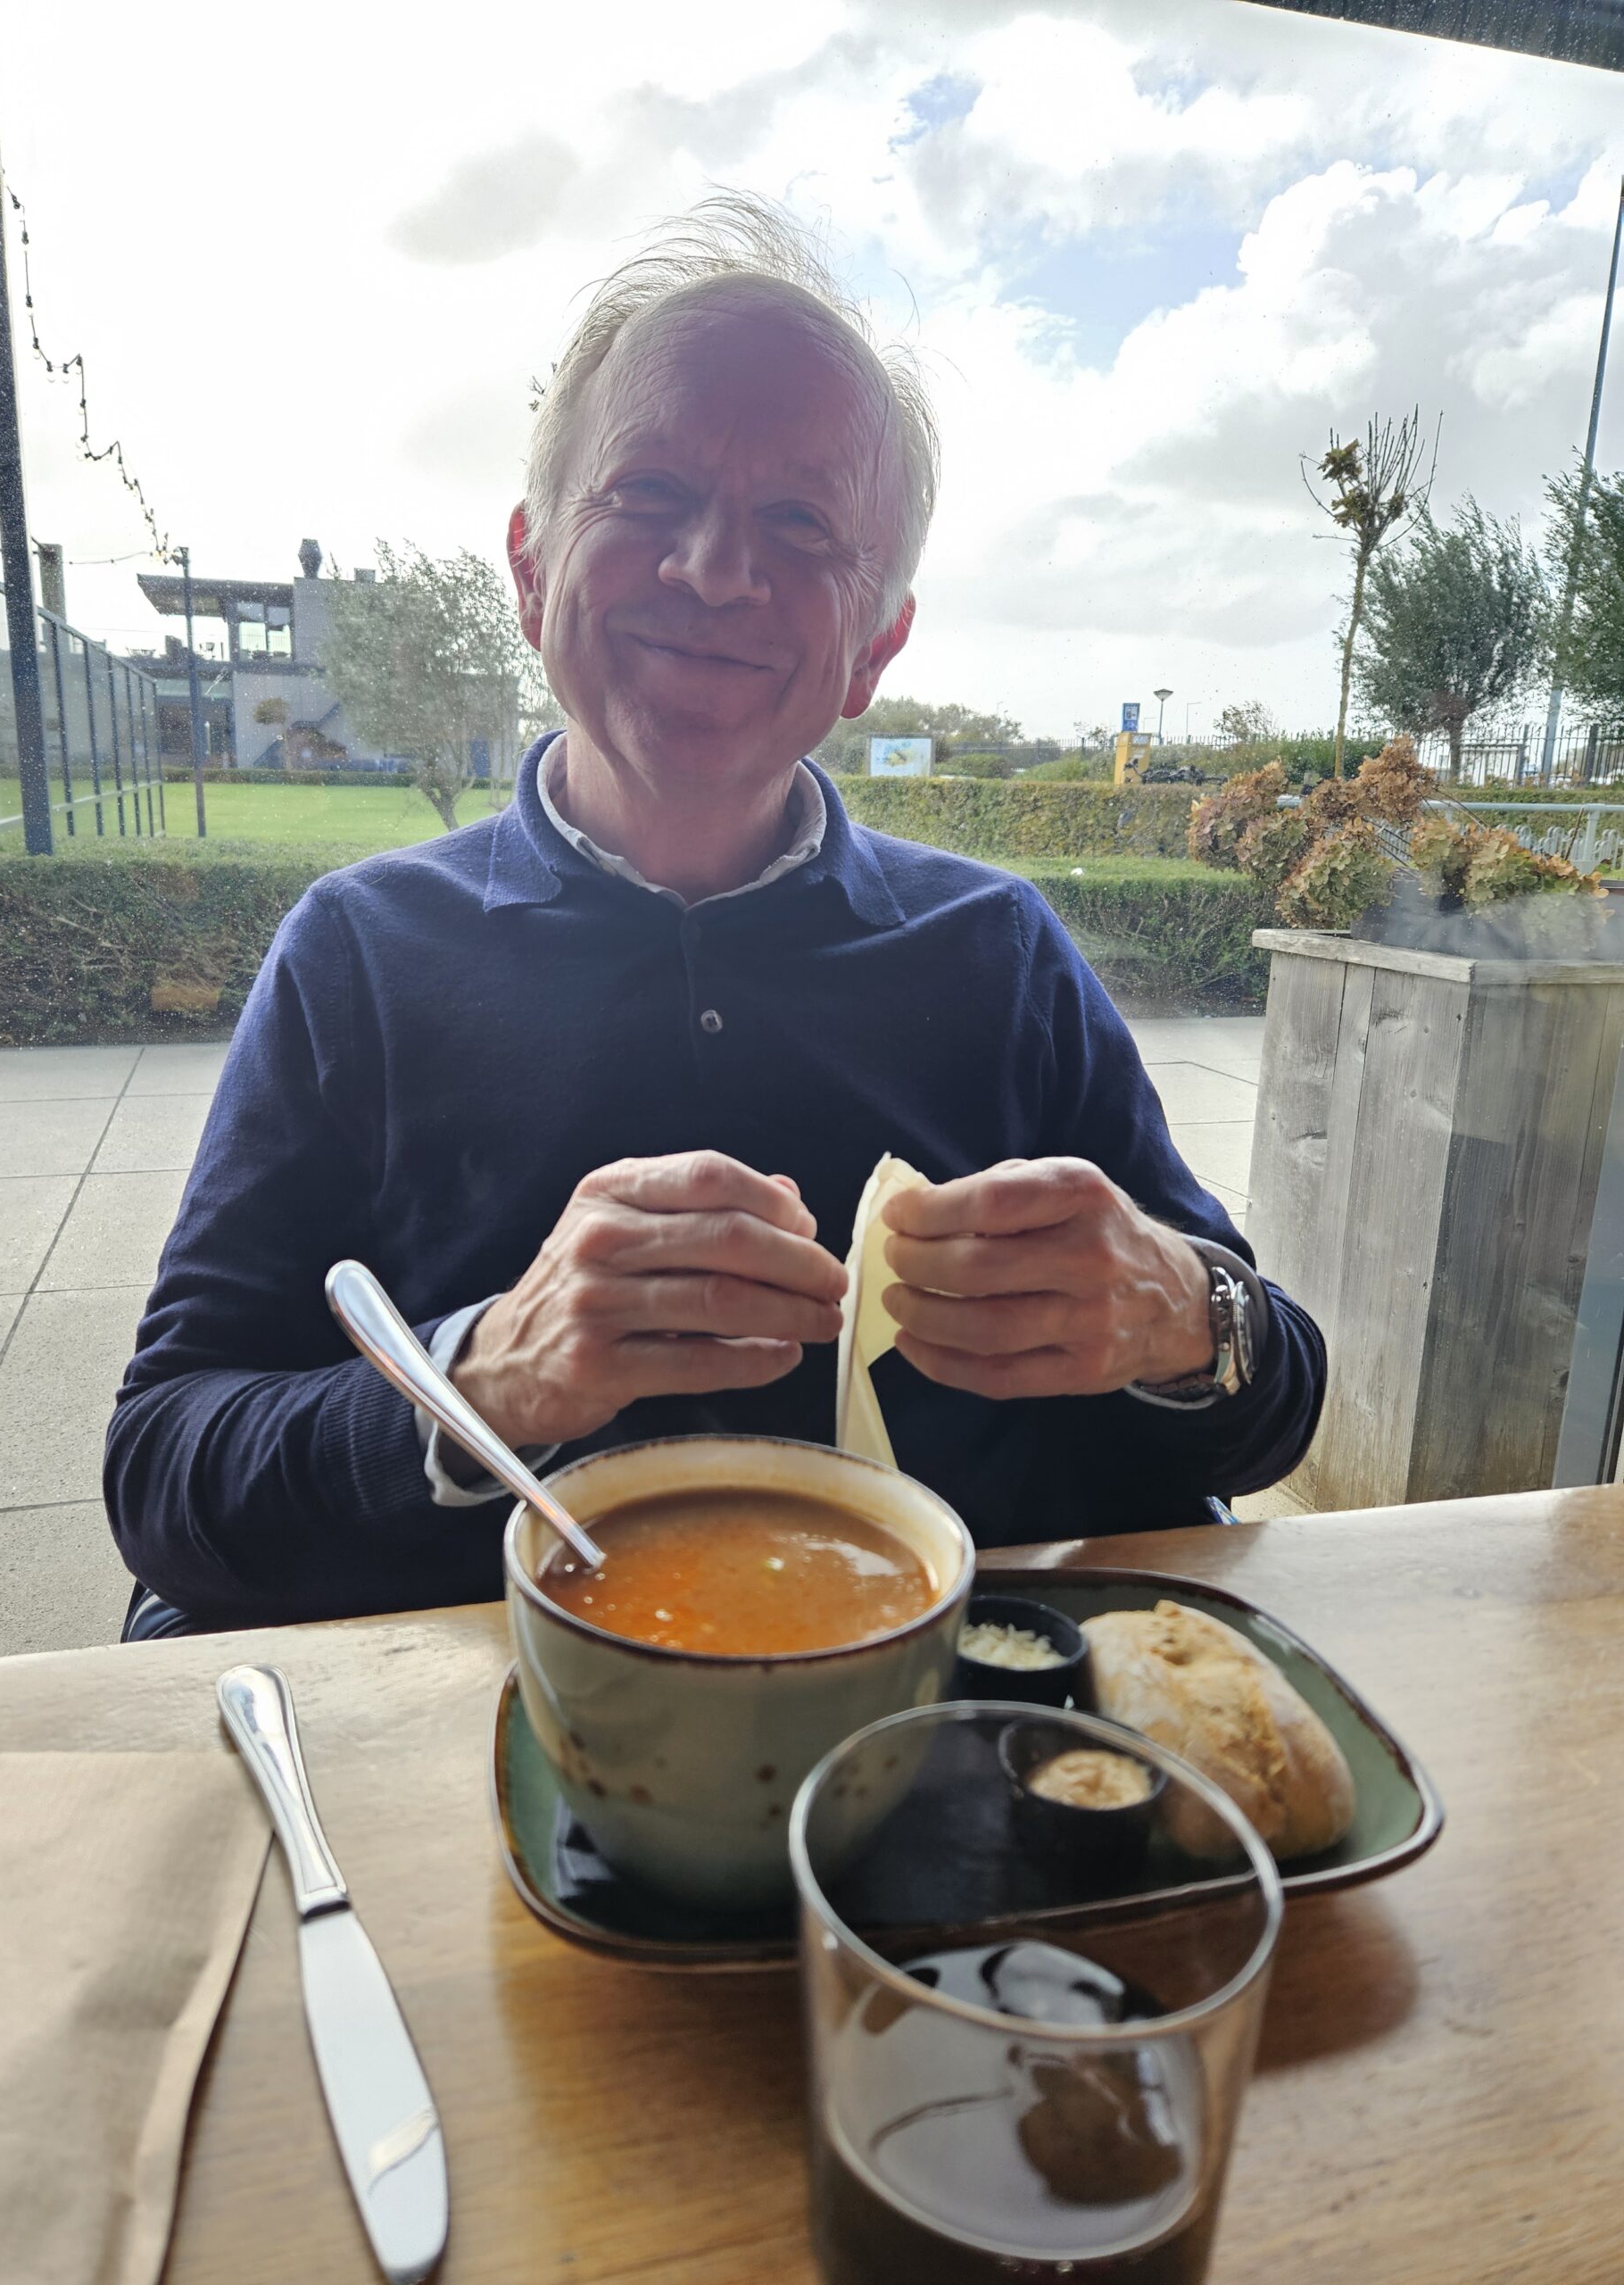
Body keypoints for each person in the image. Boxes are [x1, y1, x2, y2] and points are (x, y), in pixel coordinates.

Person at [106, 197, 1324, 1635]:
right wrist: (482, 1375)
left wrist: (1186, 1318)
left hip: (933, 1724)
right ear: (531, 570)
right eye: (648, 493)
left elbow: (1270, 1406)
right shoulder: (359, 957)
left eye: (800, 523)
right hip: (485, 1728)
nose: (716, 571)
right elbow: (165, 1475)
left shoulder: (998, 956)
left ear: (876, 644)